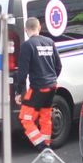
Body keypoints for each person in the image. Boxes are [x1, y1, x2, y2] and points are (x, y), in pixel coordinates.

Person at [16, 15, 63, 148]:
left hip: (38, 87)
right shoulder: (50, 42)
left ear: (26, 30)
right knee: (45, 116)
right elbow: (58, 66)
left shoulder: (27, 45)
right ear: (39, 28)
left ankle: (41, 146)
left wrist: (19, 92)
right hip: (52, 86)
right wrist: (52, 78)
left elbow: (22, 72)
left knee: (25, 118)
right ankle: (46, 144)